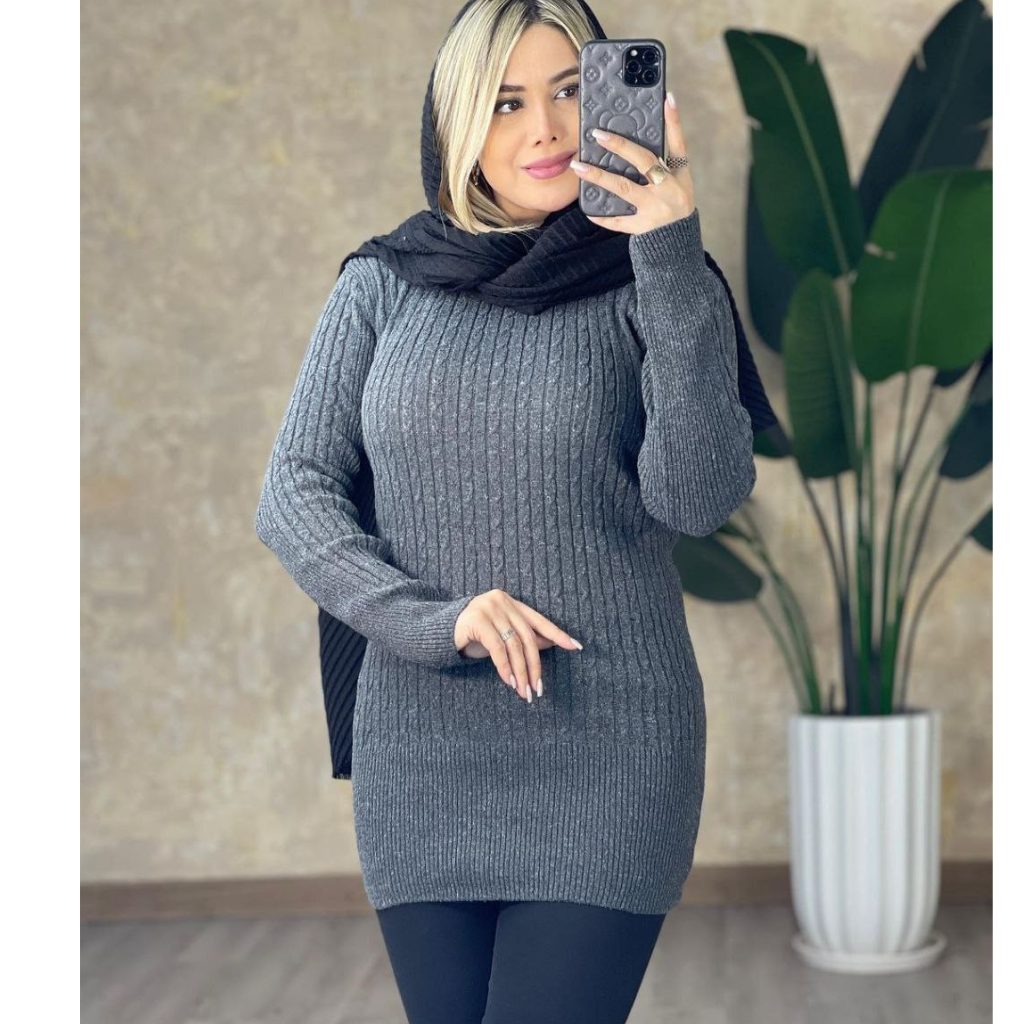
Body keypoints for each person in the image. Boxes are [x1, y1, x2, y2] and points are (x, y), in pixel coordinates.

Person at [254, 1, 777, 1021]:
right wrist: (435, 620)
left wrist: (668, 257)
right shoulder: (384, 284)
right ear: (454, 124)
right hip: (421, 756)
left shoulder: (660, 281)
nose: (544, 128)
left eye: (571, 91)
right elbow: (294, 493)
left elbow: (699, 497)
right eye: (504, 102)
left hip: (610, 745)